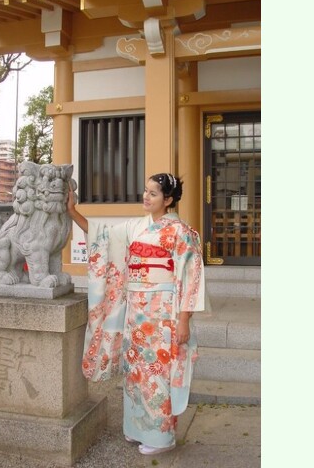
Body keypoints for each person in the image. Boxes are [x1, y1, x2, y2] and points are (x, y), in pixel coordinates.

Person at [67, 173, 205, 456]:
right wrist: (72, 212)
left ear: (168, 200)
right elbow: (102, 236)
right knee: (136, 371)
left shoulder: (182, 233)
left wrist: (184, 320)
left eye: (153, 194)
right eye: (145, 191)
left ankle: (161, 438)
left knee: (158, 372)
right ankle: (137, 428)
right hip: (136, 311)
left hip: (163, 311)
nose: (146, 197)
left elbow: (191, 279)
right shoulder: (136, 226)